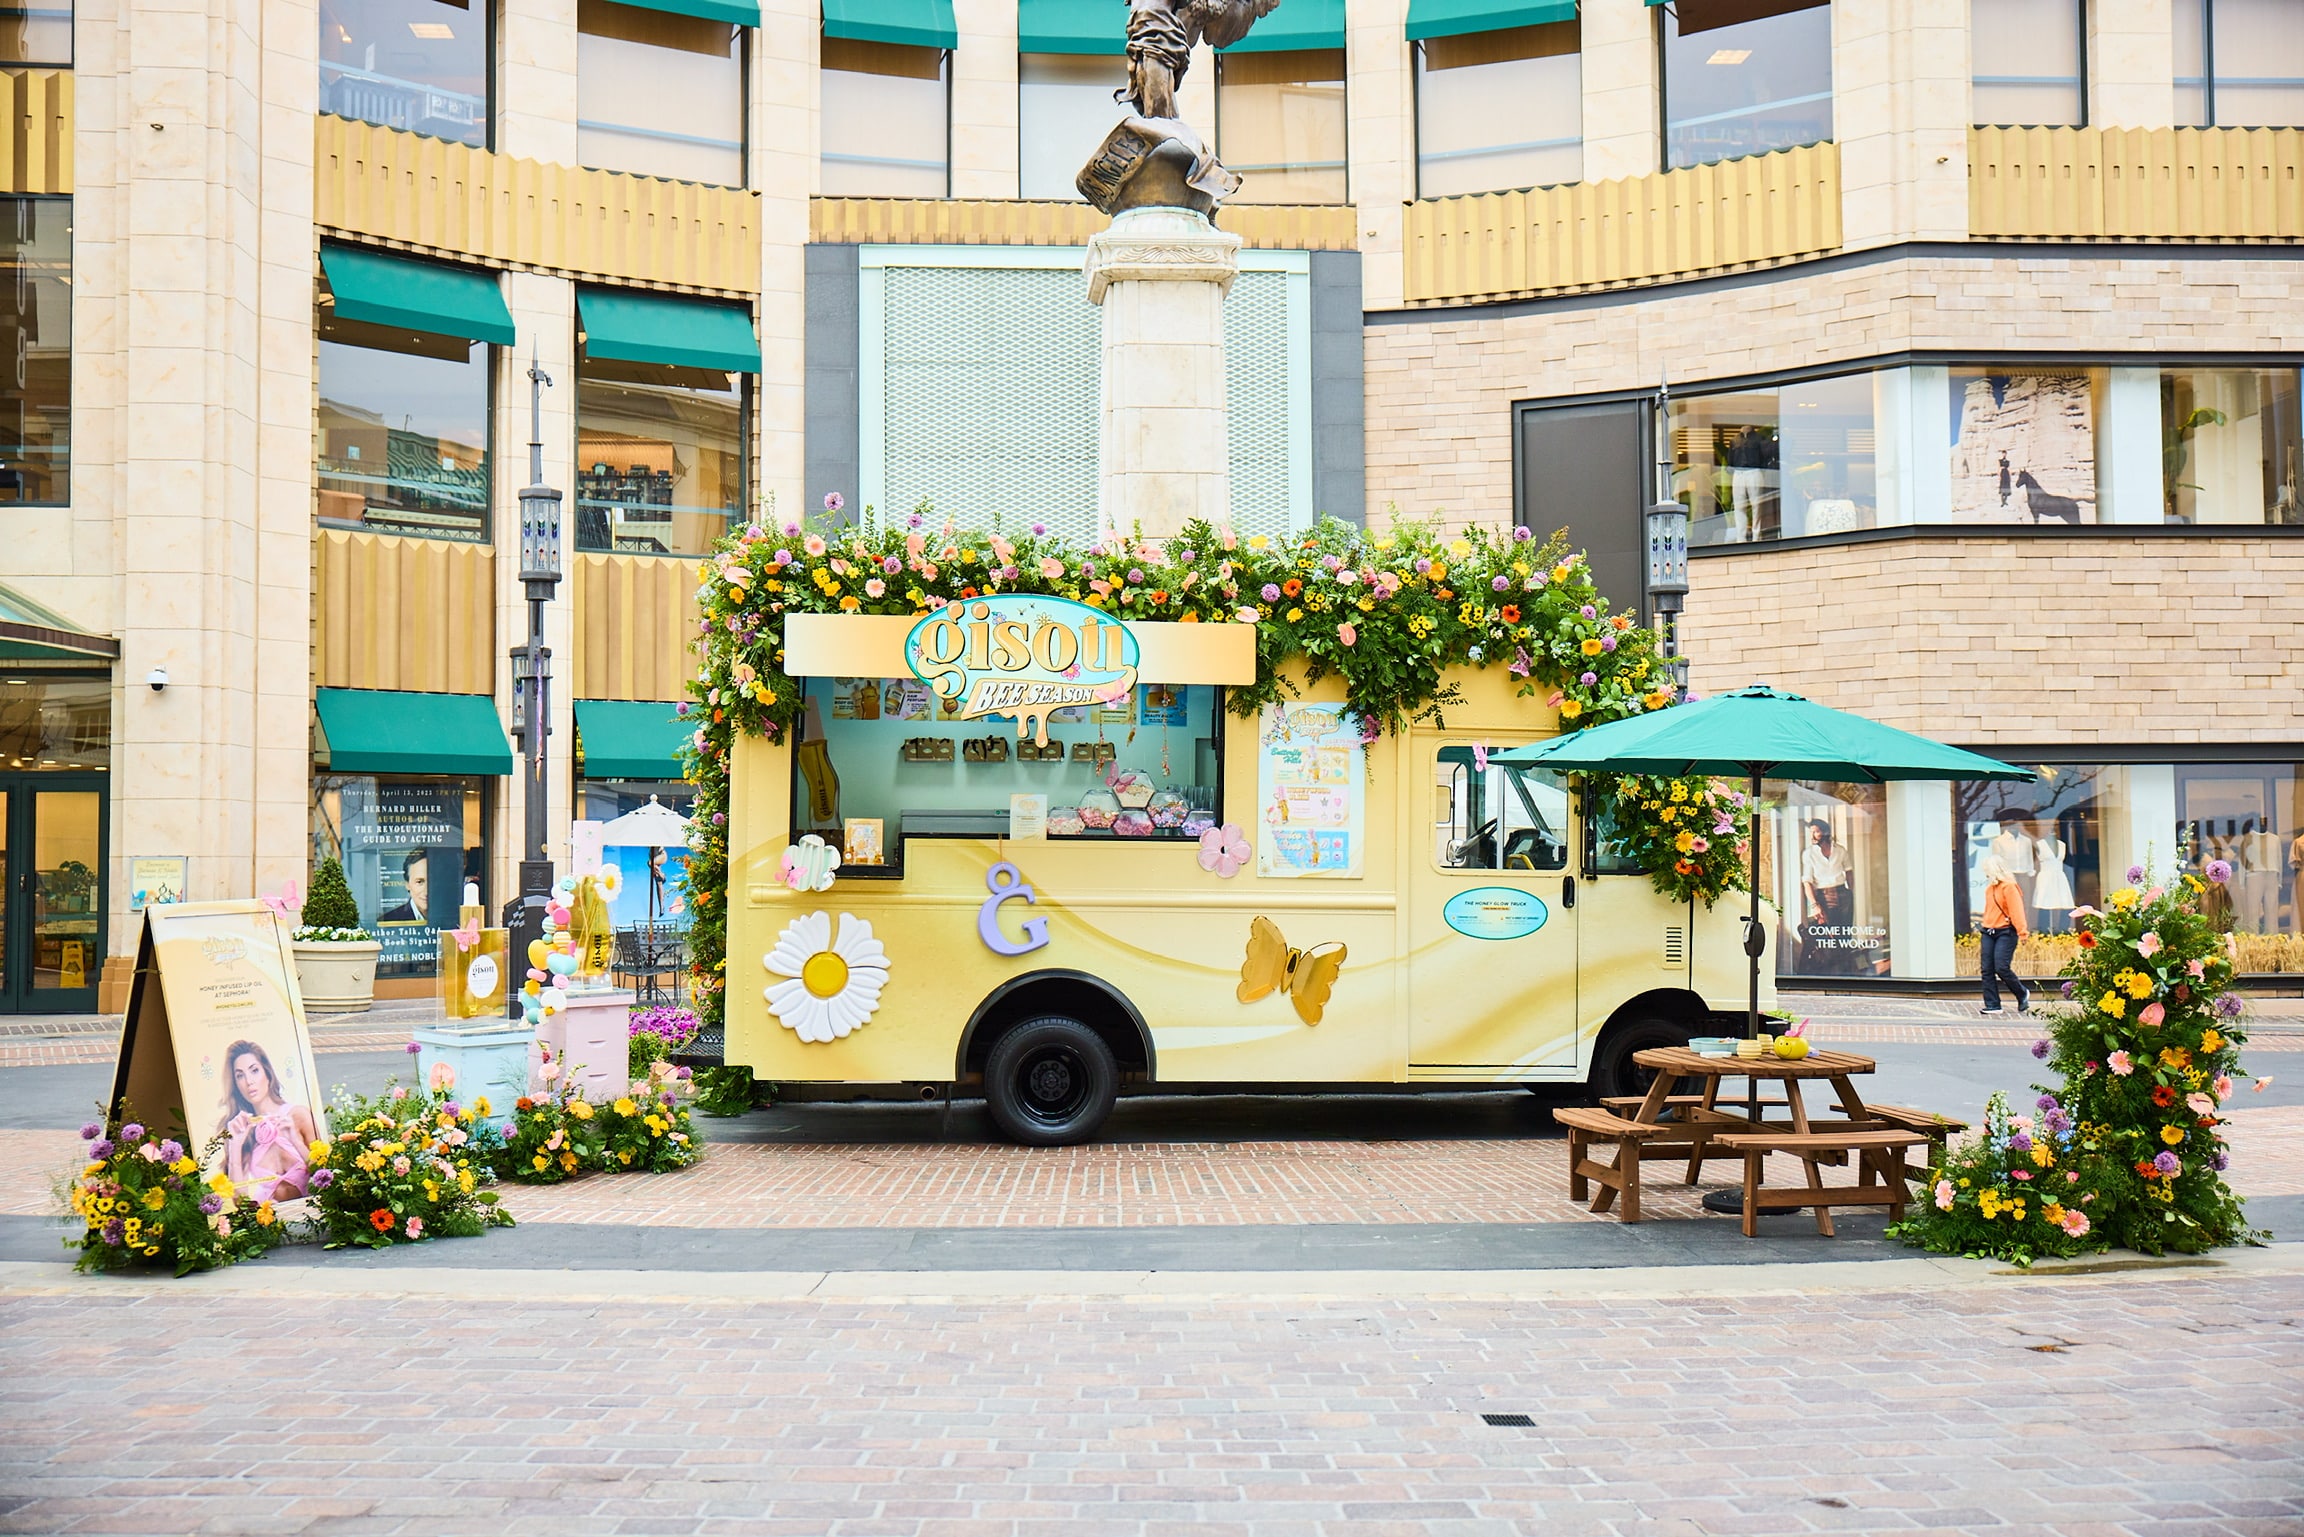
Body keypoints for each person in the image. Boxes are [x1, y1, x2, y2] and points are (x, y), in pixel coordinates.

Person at [219, 1040, 318, 1202]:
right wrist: (235, 1146)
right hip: (270, 1221)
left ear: (267, 1073)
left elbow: (325, 1172)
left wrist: (297, 1142)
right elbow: (240, 1201)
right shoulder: (241, 1130)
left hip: (313, 1217)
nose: (249, 1081)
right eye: (240, 1076)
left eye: (254, 1071)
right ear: (236, 1085)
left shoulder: (298, 1115)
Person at [1799, 819, 1854, 975]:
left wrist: (1851, 891)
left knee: (1845, 933)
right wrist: (1815, 905)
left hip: (1843, 893)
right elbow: (1807, 881)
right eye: (1812, 832)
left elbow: (1849, 871)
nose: (1814, 835)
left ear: (1825, 832)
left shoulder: (1840, 850)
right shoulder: (1809, 854)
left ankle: (1847, 971)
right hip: (1823, 895)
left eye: (1816, 831)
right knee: (1828, 934)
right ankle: (1829, 973)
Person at [1978, 855, 2030, 1015]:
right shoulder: (1990, 889)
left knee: (2001, 967)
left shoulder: (2009, 887)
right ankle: (1993, 1004)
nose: (1986, 874)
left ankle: (2022, 993)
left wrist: (2022, 932)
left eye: (1987, 871)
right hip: (1988, 930)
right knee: (1987, 969)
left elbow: (2016, 911)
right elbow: (1989, 911)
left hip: (2005, 932)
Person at [2031, 827, 2075, 934]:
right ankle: (2044, 930)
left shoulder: (2062, 845)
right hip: (2045, 878)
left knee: (2064, 903)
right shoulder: (2039, 844)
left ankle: (2063, 930)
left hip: (2059, 877)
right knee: (2044, 904)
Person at [376, 850, 430, 925]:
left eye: (432, 881)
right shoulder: (389, 920)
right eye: (419, 882)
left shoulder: (449, 916)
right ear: (407, 884)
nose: (426, 891)